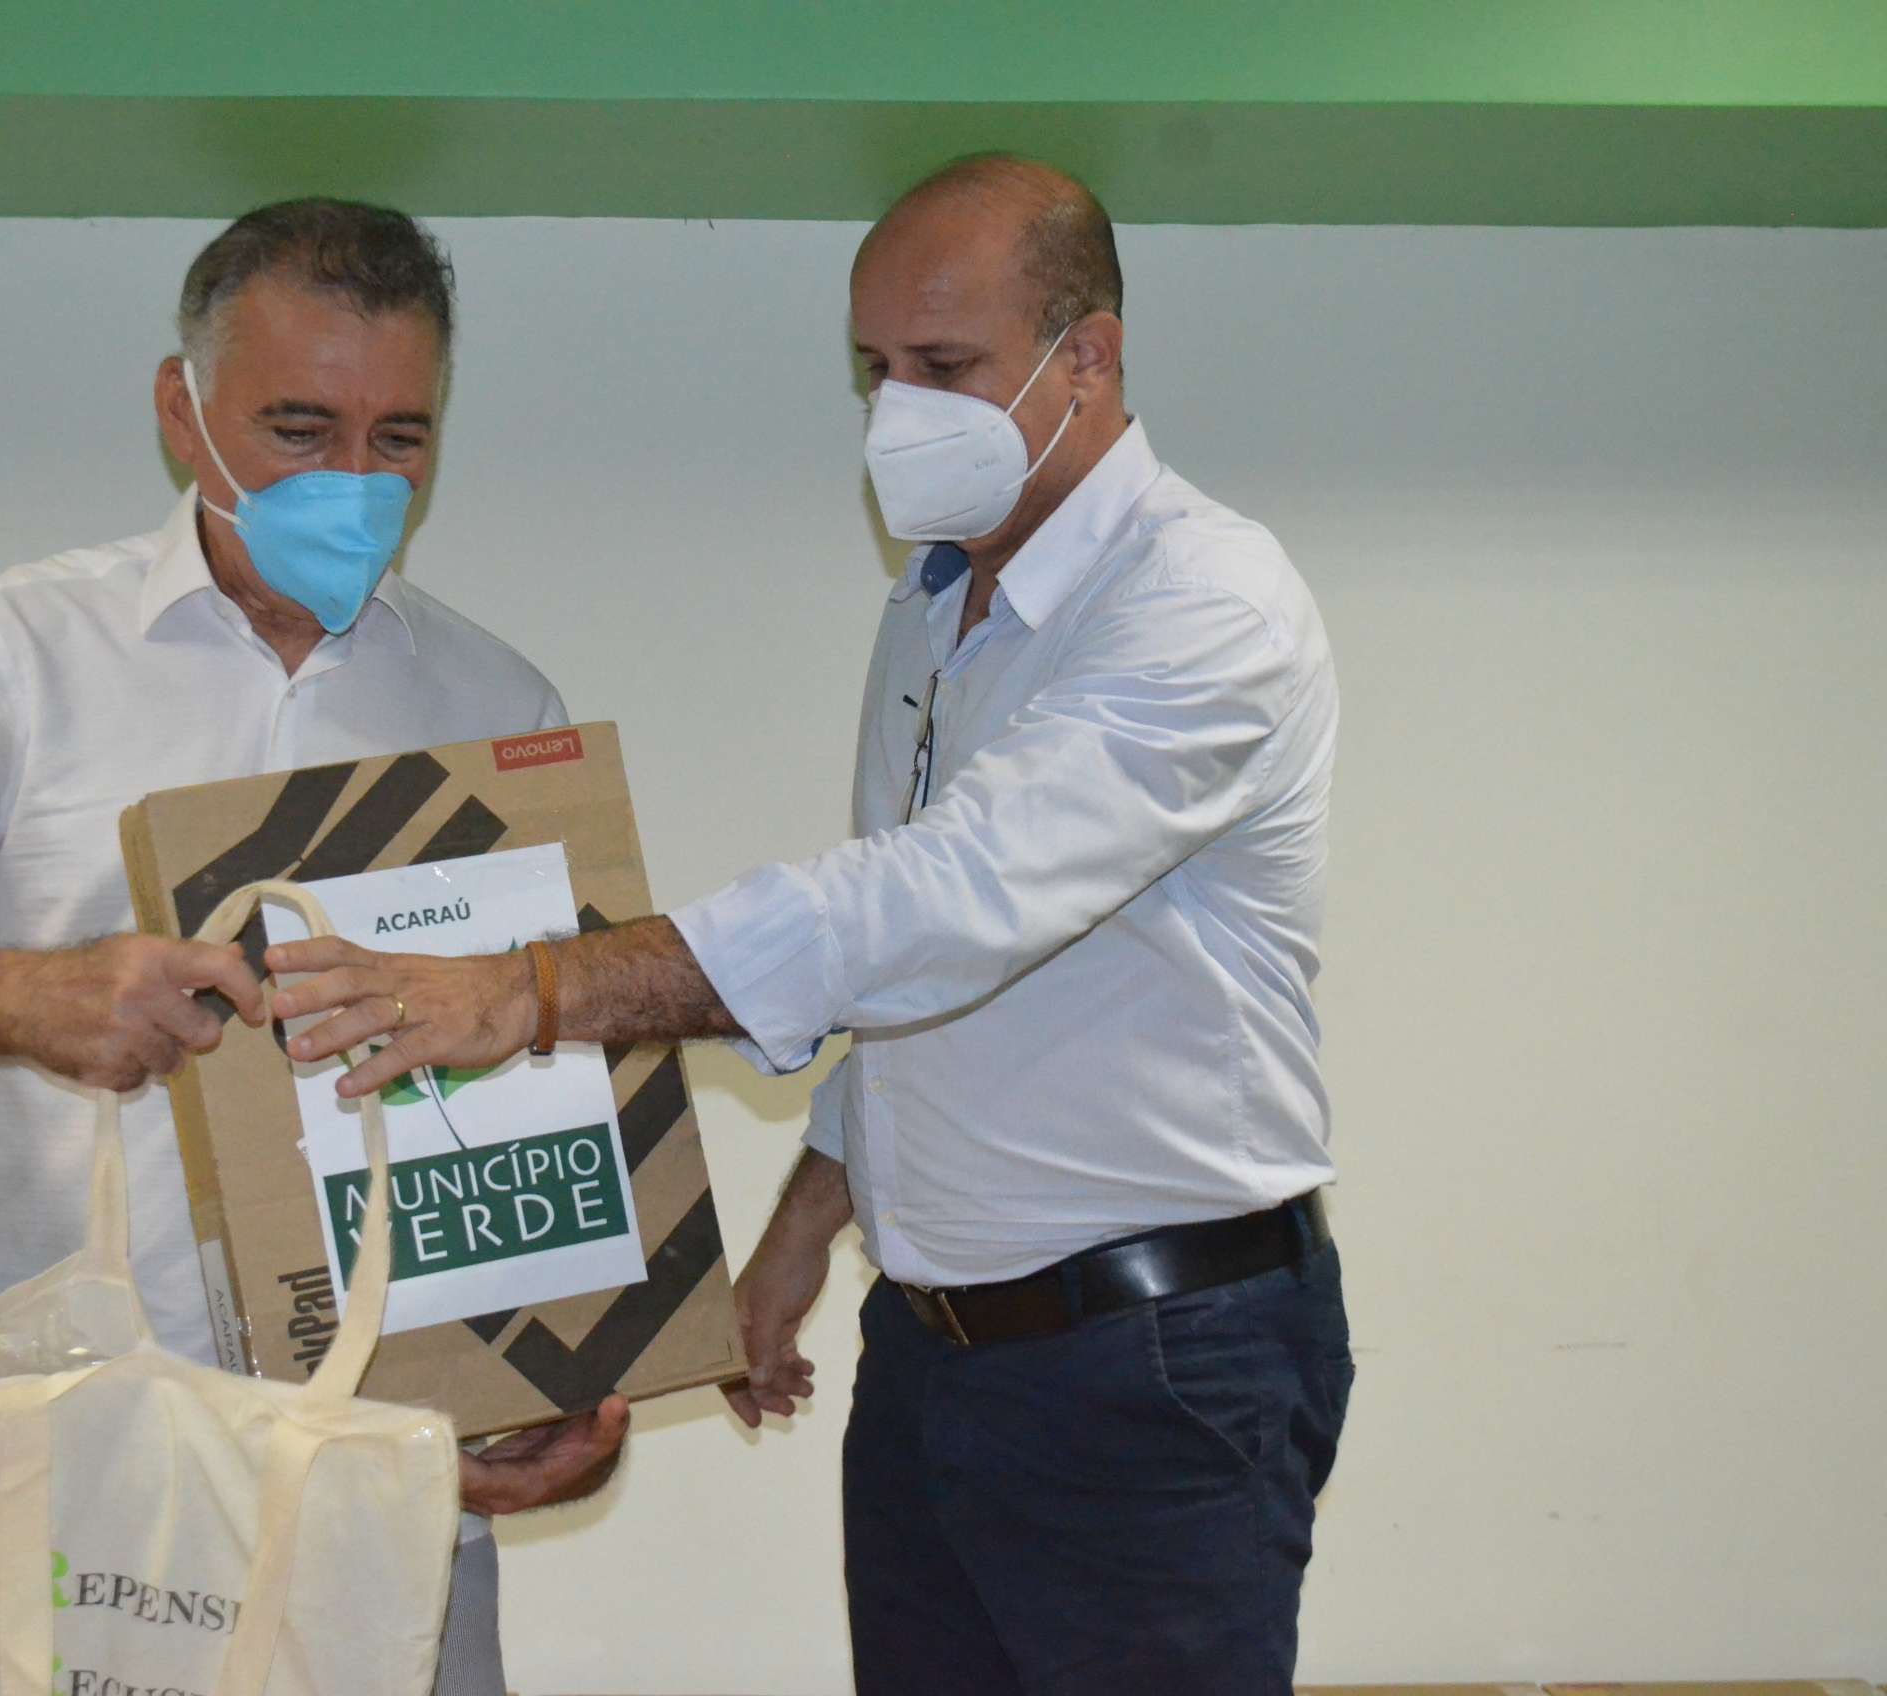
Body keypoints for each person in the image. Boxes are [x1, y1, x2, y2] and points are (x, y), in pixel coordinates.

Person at [262, 157, 1354, 1694]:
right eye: (875, 369)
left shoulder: (1201, 602)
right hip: (934, 1356)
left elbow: (948, 900)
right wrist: (807, 1221)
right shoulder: (936, 607)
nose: (898, 414)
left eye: (945, 366)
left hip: (1154, 1365)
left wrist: (532, 990)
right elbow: (916, 971)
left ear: (1088, 357)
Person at [0, 198, 626, 1696]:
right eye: (299, 428)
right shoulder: (13, 657)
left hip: (389, 1497)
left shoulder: (496, 706)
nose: (353, 483)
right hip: (84, 1490)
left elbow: (543, 1089)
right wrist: (23, 997)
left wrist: (558, 1378)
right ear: (181, 409)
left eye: (400, 439)